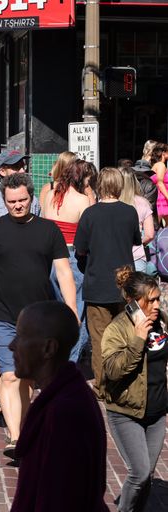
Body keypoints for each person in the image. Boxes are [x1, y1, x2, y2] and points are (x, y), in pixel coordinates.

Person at [0, 173, 77, 457]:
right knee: (9, 377)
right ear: (3, 200)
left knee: (28, 381)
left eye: (22, 200)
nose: (17, 206)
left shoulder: (49, 230)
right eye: (11, 201)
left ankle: (26, 430)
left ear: (31, 198)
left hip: (38, 319)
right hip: (3, 315)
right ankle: (16, 438)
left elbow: (64, 272)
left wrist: (72, 310)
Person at [7, 301, 111, 512]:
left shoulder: (64, 413)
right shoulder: (67, 397)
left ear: (48, 348)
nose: (12, 345)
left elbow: (59, 503)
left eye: (21, 336)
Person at [101, 266, 167, 512]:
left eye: (157, 298)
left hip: (156, 412)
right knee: (139, 473)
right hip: (126, 412)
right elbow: (112, 371)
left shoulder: (161, 320)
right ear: (132, 301)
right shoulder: (117, 329)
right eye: (149, 300)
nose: (155, 304)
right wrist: (138, 339)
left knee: (147, 477)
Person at [74, 167, 141, 394]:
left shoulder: (90, 214)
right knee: (125, 335)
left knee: (100, 338)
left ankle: (103, 386)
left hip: (97, 283)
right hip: (125, 285)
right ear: (119, 186)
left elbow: (80, 249)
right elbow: (136, 240)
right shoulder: (130, 212)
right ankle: (124, 381)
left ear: (99, 185)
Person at [34, 157, 90, 366]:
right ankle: (69, 362)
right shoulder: (82, 200)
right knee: (75, 312)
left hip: (47, 258)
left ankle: (50, 359)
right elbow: (86, 233)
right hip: (71, 257)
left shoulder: (49, 195)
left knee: (52, 312)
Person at [120, 167, 155, 275]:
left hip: (115, 256)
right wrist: (137, 242)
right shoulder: (143, 202)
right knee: (138, 290)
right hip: (137, 257)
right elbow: (149, 235)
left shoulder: (110, 202)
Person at [149, 142, 168, 226]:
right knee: (156, 226)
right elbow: (160, 183)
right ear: (163, 153)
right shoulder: (161, 165)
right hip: (161, 199)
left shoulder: (157, 165)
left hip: (161, 197)